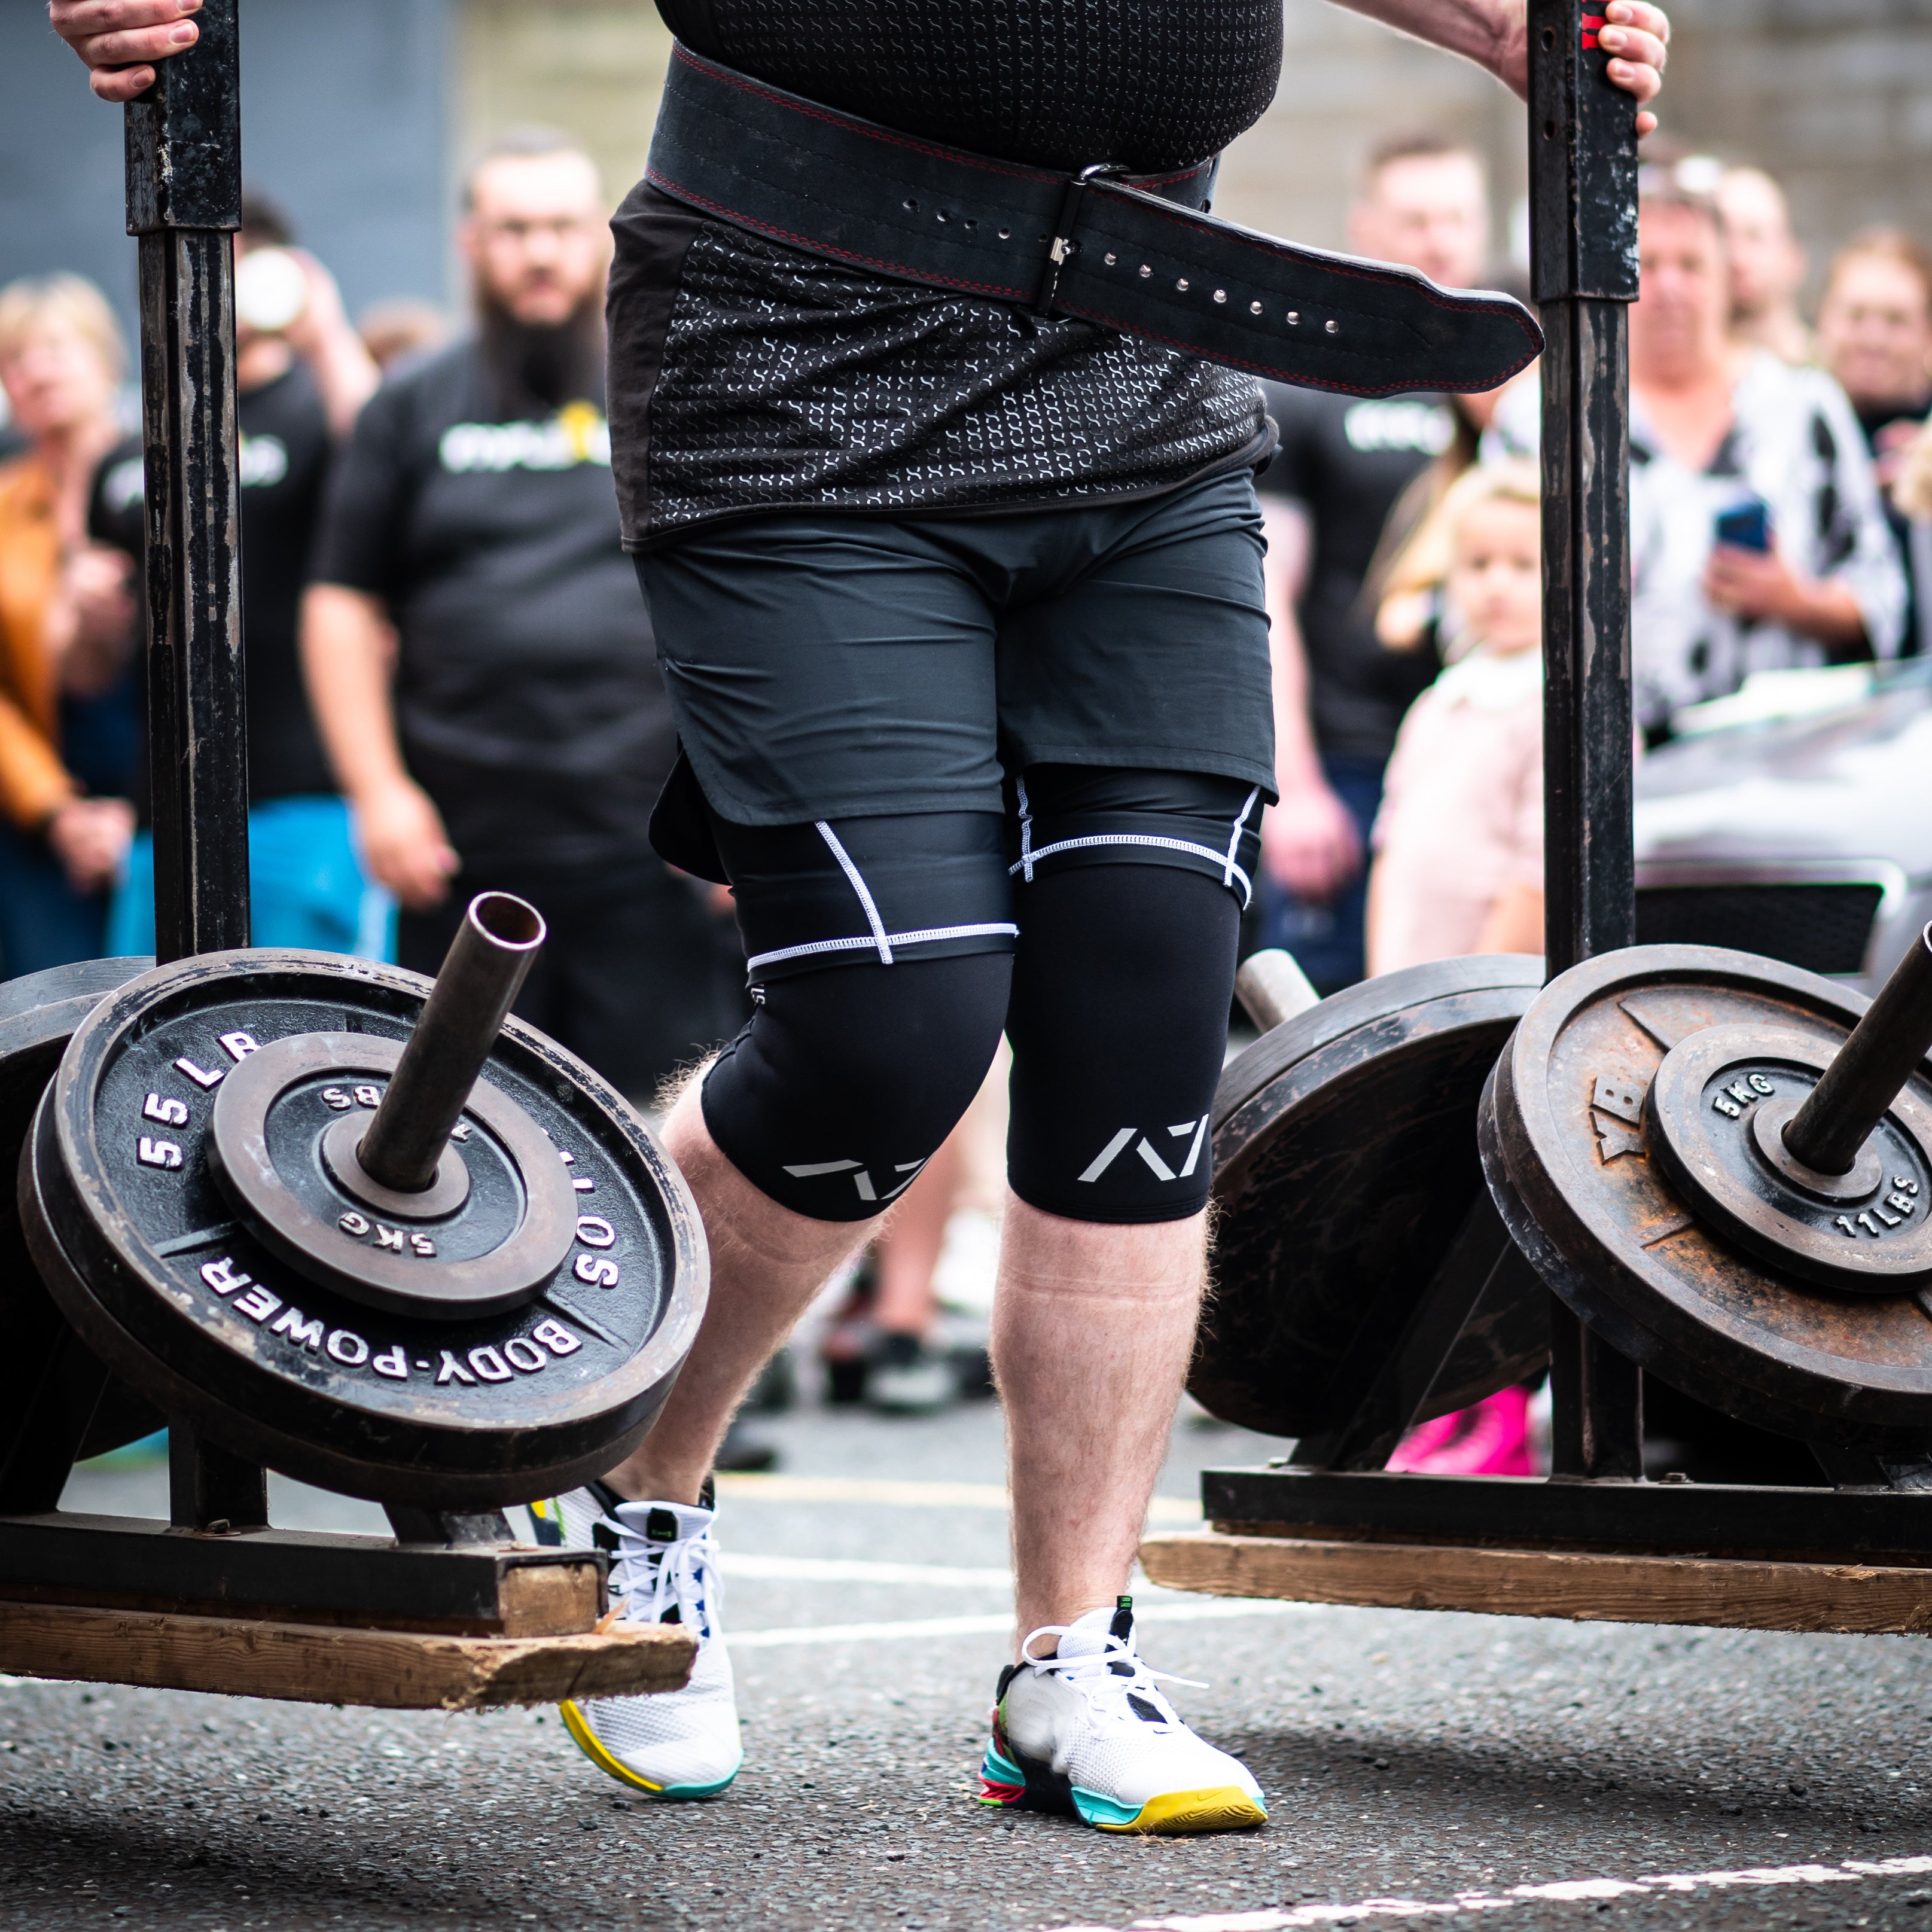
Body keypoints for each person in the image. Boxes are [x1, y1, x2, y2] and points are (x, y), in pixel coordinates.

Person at [54, 0, 1672, 1834]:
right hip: (795, 385)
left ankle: (1071, 1651)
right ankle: (640, 1487)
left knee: (1145, 1022)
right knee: (891, 1019)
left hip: (1142, 407)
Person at [301, 130, 735, 1108]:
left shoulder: (669, 392)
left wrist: (748, 808)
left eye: (560, 228)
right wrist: (378, 792)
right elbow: (340, 604)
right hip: (461, 858)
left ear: (602, 240)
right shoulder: (409, 407)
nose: (538, 252)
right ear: (470, 244)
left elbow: (745, 590)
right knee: (467, 1131)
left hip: (654, 855)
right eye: (512, 229)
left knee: (667, 1141)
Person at [96, 194, 388, 959]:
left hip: (300, 799)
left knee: (310, 1033)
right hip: (158, 814)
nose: (210, 283)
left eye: (237, 263)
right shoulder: (131, 445)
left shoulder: (316, 407)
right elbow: (86, 659)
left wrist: (324, 330)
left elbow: (387, 471)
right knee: (150, 1045)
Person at [1253, 133, 1501, 994]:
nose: (1437, 239)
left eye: (1456, 217)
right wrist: (1297, 784)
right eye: (1415, 218)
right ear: (1365, 229)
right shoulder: (1313, 386)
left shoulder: (1516, 384)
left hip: (1484, 760)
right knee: (1331, 1029)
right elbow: (1266, 591)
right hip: (1349, 763)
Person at [1625, 179, 1904, 738]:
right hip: (1609, 776)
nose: (1669, 287)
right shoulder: (1551, 419)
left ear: (1731, 279)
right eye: (1647, 263)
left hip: (1784, 763)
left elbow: (1884, 594)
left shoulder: (1804, 408)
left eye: (1691, 264)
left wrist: (1795, 600)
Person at [0, 273, 138, 977]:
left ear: (106, 359)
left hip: (162, 787)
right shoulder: (4, 505)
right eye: (17, 358)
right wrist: (55, 811)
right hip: (39, 804)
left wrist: (139, 809)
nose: (37, 371)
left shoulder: (163, 478)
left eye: (57, 348)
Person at [1815, 230, 1932, 659]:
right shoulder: (1787, 431)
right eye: (1856, 315)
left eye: (1896, 320)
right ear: (1823, 320)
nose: (1873, 338)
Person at [1718, 164, 1811, 367]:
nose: (1736, 257)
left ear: (1795, 258)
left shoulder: (1832, 371)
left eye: (1755, 236)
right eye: (1723, 236)